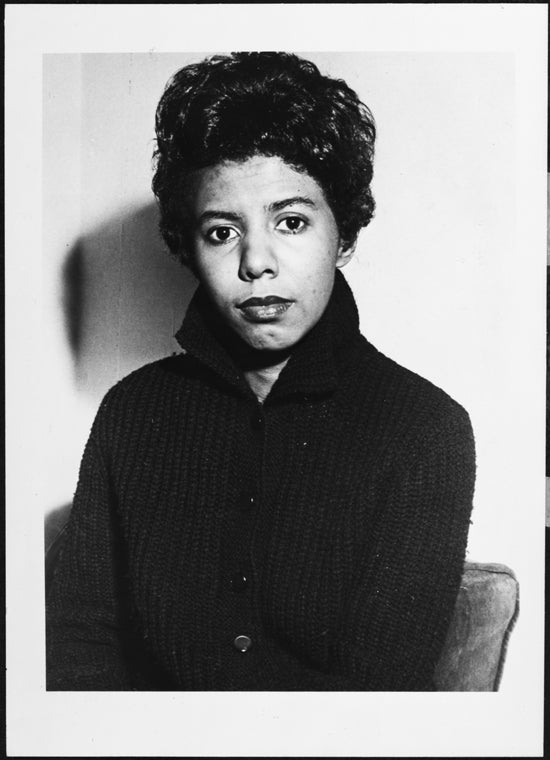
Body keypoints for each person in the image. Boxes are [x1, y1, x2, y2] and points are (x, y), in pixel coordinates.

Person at [46, 52, 476, 691]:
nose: (256, 262)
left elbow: (379, 696)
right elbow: (78, 647)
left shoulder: (424, 428)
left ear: (344, 235)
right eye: (222, 232)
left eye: (292, 222)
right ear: (187, 248)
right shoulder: (132, 412)